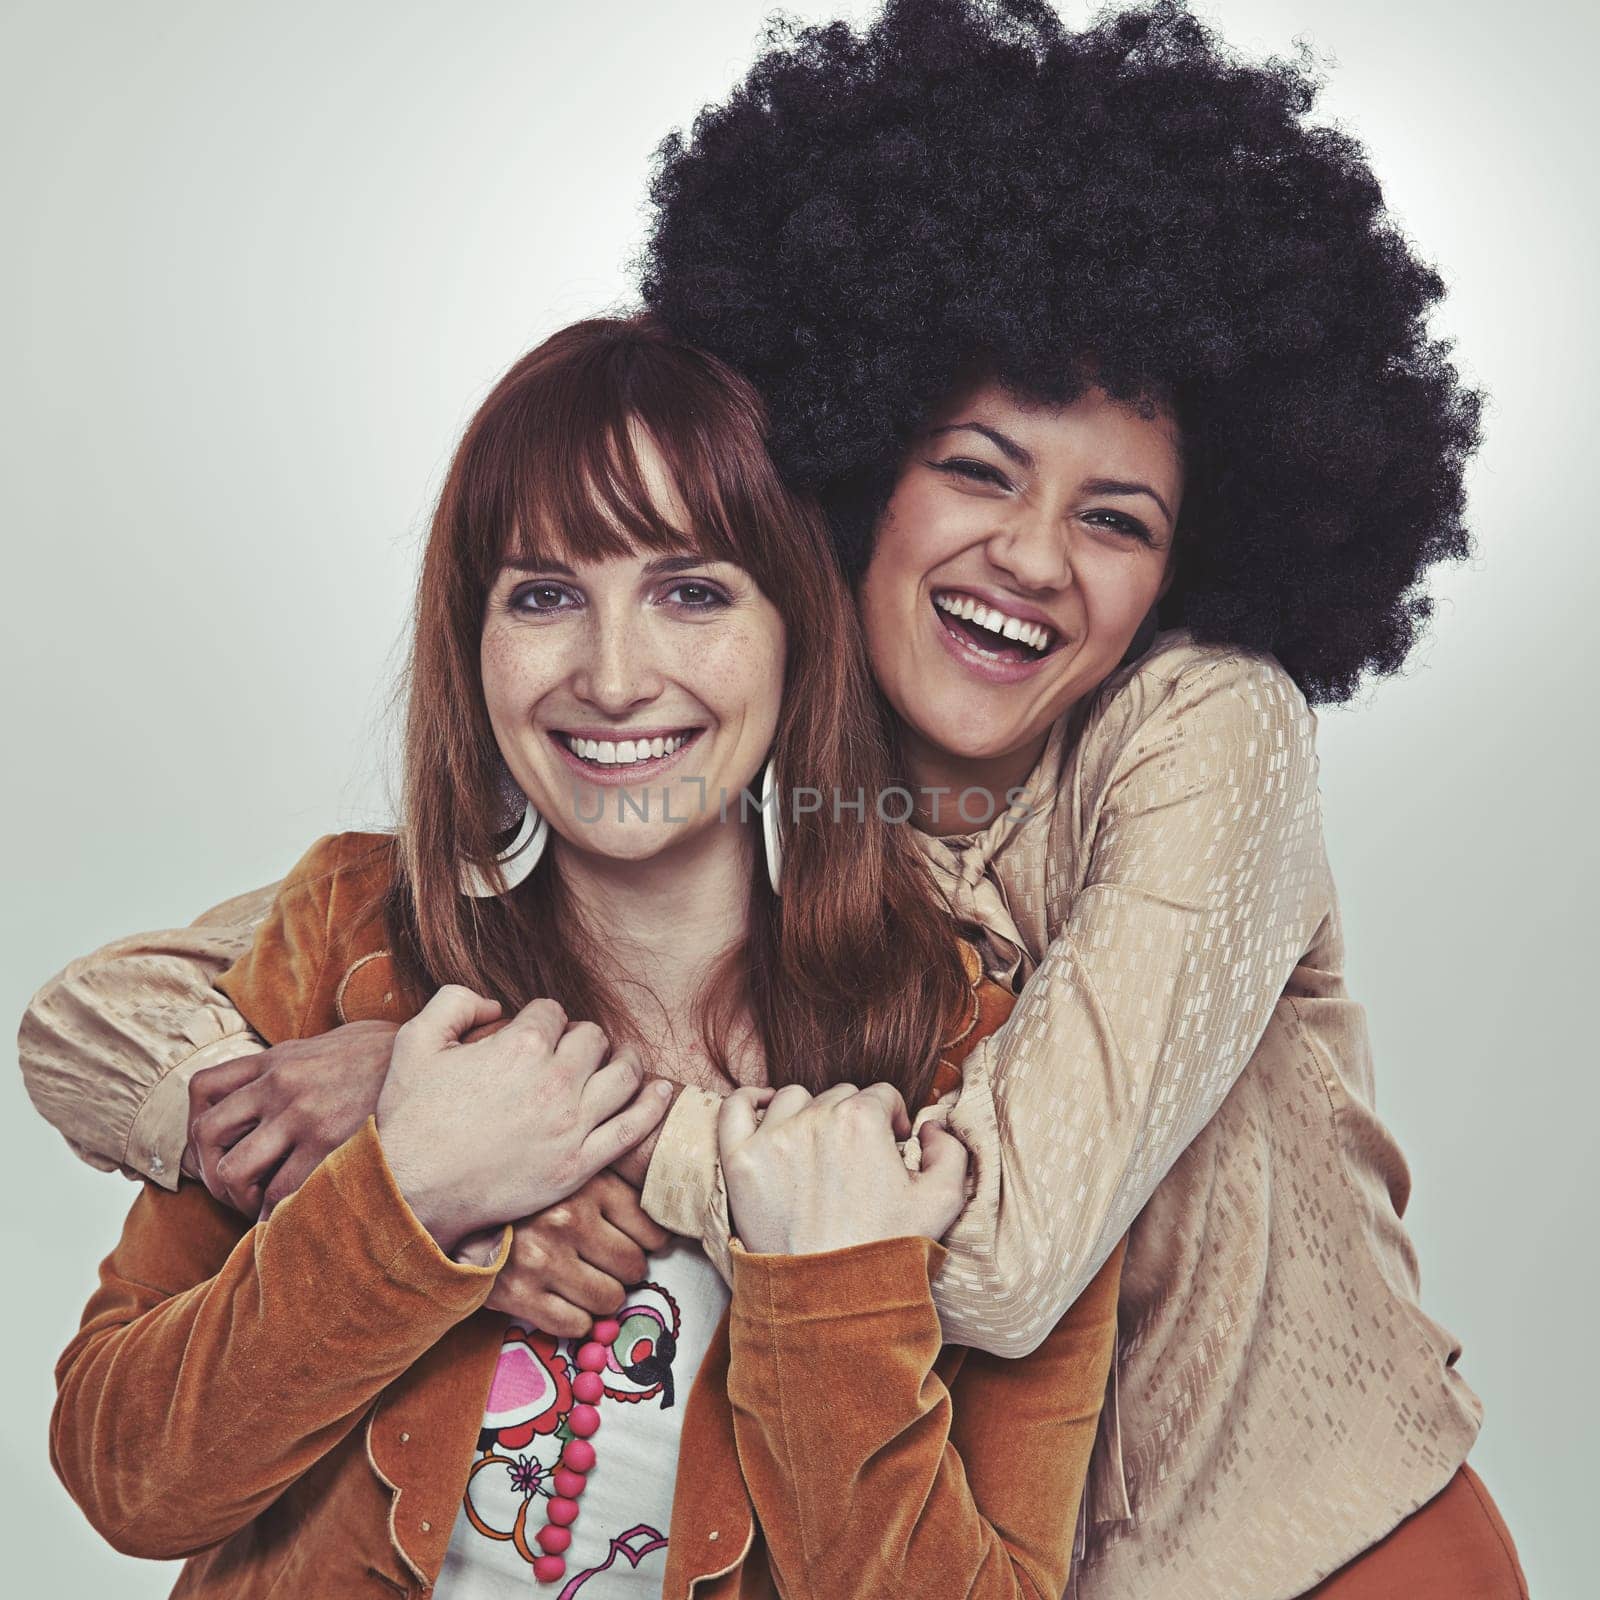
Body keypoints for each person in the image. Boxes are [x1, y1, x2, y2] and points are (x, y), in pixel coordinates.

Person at [22, 2, 1528, 1595]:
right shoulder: (753, 764)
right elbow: (129, 1001)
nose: (1029, 556)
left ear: (1184, 568)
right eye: (976, 468)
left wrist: (505, 1120)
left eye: (1117, 519)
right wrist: (381, 1149)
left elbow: (1004, 1255)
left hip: (1324, 1556)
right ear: (854, 474)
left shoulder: (1202, 733)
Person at [39, 316, 1124, 1599]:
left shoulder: (971, 1049)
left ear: (799, 628)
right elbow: (126, 1475)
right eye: (545, 595)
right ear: (473, 641)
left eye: (692, 592)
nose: (612, 676)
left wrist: (826, 1296)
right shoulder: (348, 940)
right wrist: (407, 1202)